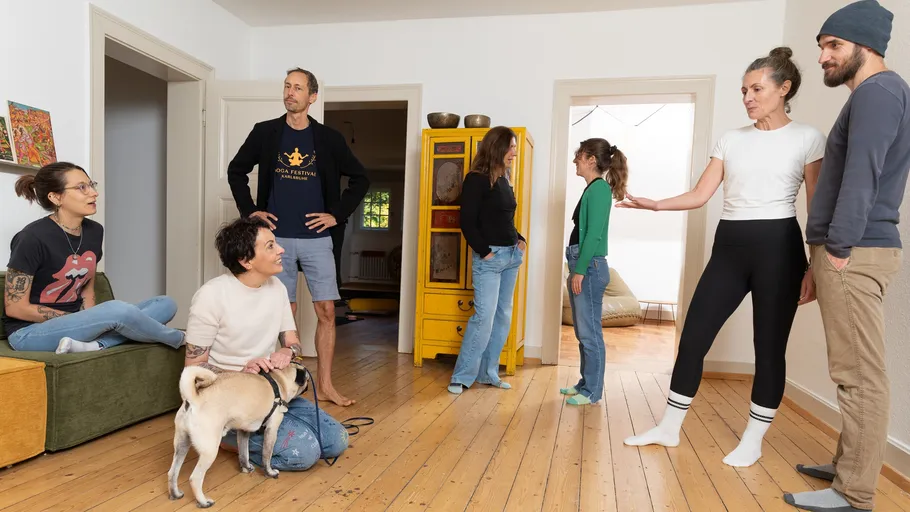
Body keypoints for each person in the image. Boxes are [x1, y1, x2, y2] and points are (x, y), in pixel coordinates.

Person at [619, 47, 827, 468]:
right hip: (729, 246)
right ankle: (668, 427)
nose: (747, 97)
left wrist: (813, 267)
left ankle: (753, 439)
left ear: (784, 89)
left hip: (780, 249)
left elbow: (815, 207)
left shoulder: (808, 138)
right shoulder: (732, 139)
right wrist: (655, 204)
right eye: (743, 90)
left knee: (768, 348)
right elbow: (700, 194)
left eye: (757, 88)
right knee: (693, 336)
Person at [783, 2, 910, 511]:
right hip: (847, 249)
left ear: (866, 46)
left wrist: (836, 250)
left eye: (833, 46)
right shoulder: (873, 95)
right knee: (849, 368)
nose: (822, 57)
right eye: (821, 46)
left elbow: (864, 174)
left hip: (853, 251)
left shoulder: (879, 92)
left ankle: (854, 493)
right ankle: (847, 464)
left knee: (860, 374)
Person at [227, 67, 370, 407]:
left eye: (298, 88)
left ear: (312, 97)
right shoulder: (265, 133)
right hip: (275, 240)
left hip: (318, 239)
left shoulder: (330, 139)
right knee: (284, 313)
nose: (290, 92)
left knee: (326, 312)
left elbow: (360, 178)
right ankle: (283, 387)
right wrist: (250, 210)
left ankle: (326, 385)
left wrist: (336, 214)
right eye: (287, 86)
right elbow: (236, 170)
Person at [183, 216, 349, 471]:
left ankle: (265, 429)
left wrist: (286, 352)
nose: (281, 249)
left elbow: (293, 344)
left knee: (337, 441)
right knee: (303, 455)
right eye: (270, 246)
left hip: (269, 393)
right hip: (227, 405)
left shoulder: (277, 288)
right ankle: (226, 438)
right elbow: (193, 372)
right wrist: (242, 374)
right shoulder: (211, 296)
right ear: (246, 260)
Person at [3, 162, 184, 353]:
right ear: (56, 197)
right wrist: (85, 320)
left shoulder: (94, 231)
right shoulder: (31, 238)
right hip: (29, 332)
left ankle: (95, 345)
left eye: (91, 185)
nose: (94, 193)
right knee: (118, 310)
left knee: (165, 304)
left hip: (77, 322)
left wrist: (91, 320)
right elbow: (15, 308)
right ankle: (180, 338)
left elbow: (87, 290)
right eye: (82, 187)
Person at [447, 126, 526, 395]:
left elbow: (503, 217)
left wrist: (519, 238)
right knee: (484, 318)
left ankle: (488, 373)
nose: (514, 152)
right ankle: (461, 376)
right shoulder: (476, 179)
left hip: (511, 256)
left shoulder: (503, 178)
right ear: (497, 148)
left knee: (503, 317)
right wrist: (485, 251)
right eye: (511, 147)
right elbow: (467, 222)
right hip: (490, 259)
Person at [559, 138, 628, 406]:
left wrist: (579, 270)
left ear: (591, 160)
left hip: (589, 266)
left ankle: (592, 392)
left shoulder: (599, 190)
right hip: (583, 264)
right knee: (583, 332)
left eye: (579, 155)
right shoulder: (592, 189)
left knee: (590, 333)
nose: (575, 159)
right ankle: (585, 383)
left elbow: (593, 235)